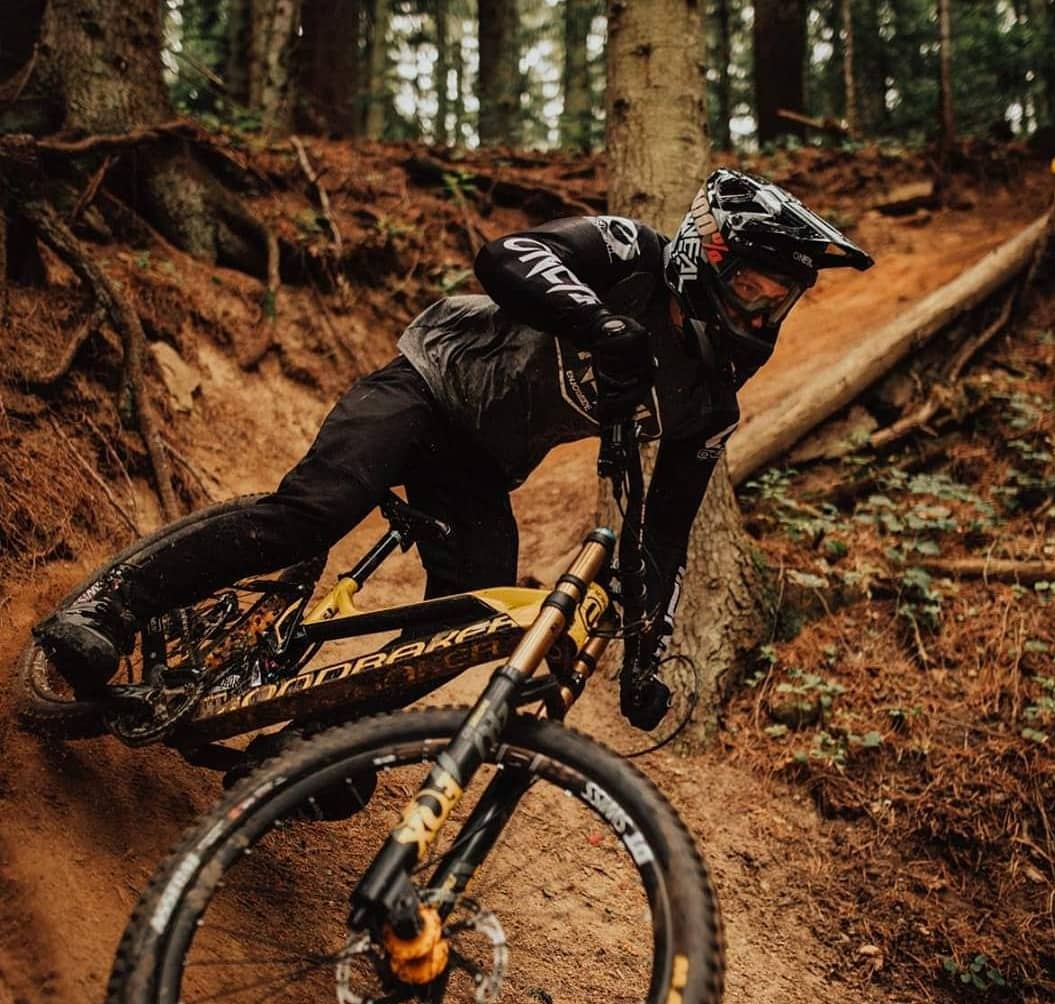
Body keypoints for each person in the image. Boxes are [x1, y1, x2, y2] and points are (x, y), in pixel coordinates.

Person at [34, 168, 872, 729]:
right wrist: (596, 321)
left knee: (473, 616)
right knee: (310, 516)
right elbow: (508, 255)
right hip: (423, 385)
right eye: (751, 286)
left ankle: (322, 740)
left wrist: (646, 652)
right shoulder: (633, 254)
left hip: (477, 463)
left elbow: (668, 532)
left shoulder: (710, 398)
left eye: (777, 299)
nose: (758, 311)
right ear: (707, 252)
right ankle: (108, 606)